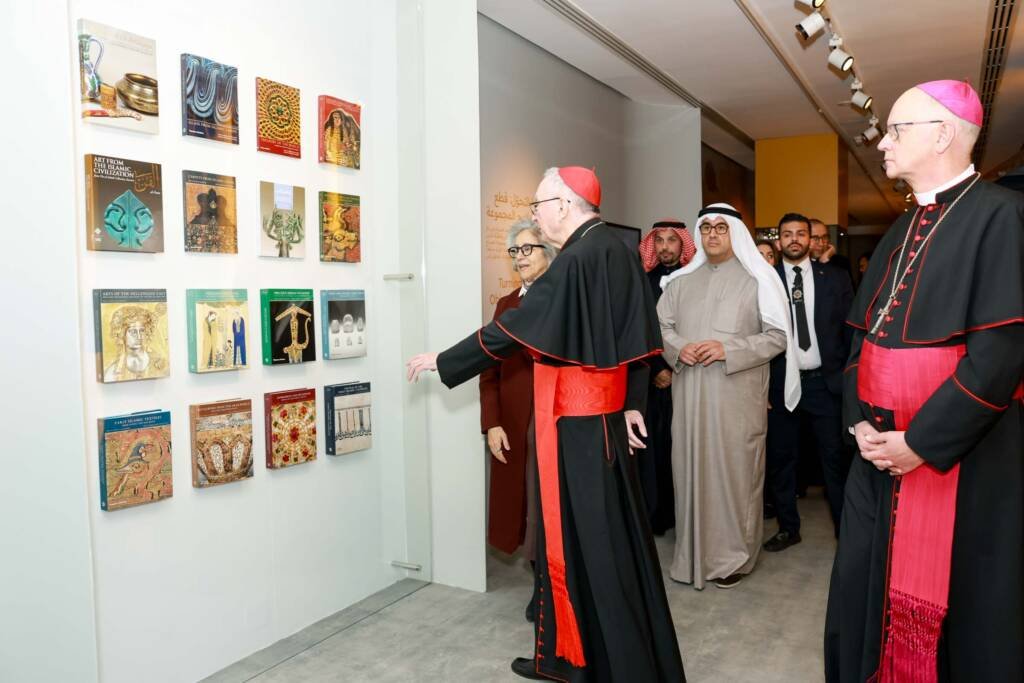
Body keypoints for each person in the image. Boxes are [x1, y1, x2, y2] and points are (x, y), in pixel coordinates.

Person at [407, 167, 685, 682]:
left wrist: (444, 360)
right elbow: (634, 342)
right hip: (598, 420)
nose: (535, 216)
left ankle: (617, 666)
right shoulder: (614, 249)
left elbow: (514, 328)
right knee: (582, 546)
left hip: (580, 428)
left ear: (565, 204)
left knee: (595, 549)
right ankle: (569, 657)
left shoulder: (578, 256)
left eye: (538, 205)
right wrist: (629, 404)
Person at [824, 80, 1024, 683]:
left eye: (895, 130)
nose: (882, 143)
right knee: (862, 584)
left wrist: (920, 443)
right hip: (876, 455)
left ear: (943, 135)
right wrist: (858, 422)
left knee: (961, 610)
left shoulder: (1002, 216)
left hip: (962, 458)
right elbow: (861, 339)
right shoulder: (902, 227)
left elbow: (998, 358)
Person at [657, 203, 798, 590]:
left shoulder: (758, 280)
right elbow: (660, 326)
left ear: (735, 232)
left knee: (735, 476)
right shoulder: (680, 282)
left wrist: (727, 349)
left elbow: (778, 337)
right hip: (690, 397)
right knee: (690, 471)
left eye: (721, 227)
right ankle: (692, 556)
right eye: (706, 228)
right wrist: (679, 347)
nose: (713, 235)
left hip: (737, 397)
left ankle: (735, 558)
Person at [479, 219, 557, 622]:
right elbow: (488, 368)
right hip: (513, 425)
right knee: (523, 508)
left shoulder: (564, 299)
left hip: (554, 423)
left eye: (529, 249)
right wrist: (492, 423)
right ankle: (539, 583)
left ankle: (551, 586)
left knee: (550, 509)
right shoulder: (506, 305)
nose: (520, 258)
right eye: (515, 251)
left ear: (549, 254)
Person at [763, 213, 853, 552]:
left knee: (834, 460)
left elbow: (850, 331)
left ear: (811, 239)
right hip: (781, 384)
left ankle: (846, 530)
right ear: (779, 240)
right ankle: (788, 528)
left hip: (824, 385)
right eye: (787, 234)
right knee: (781, 459)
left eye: (801, 233)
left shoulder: (835, 278)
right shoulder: (765, 280)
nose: (794, 239)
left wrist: (849, 379)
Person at [636, 219, 697, 534]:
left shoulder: (694, 279)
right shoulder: (642, 280)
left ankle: (686, 516)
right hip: (651, 380)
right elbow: (636, 328)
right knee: (654, 449)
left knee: (685, 447)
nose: (664, 247)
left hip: (688, 375)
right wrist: (657, 368)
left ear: (683, 244)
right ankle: (656, 516)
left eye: (672, 240)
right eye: (659, 240)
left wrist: (674, 367)